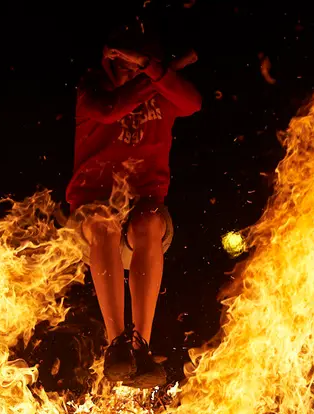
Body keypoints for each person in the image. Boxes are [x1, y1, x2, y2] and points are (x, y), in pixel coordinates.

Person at [65, 24, 201, 388]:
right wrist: (154, 76)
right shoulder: (90, 89)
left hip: (145, 214)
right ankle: (117, 344)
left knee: (148, 221)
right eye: (123, 63)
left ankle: (142, 342)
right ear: (107, 61)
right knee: (104, 221)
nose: (130, 72)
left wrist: (156, 72)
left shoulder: (162, 91)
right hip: (93, 215)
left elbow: (194, 103)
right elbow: (110, 111)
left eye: (136, 64)